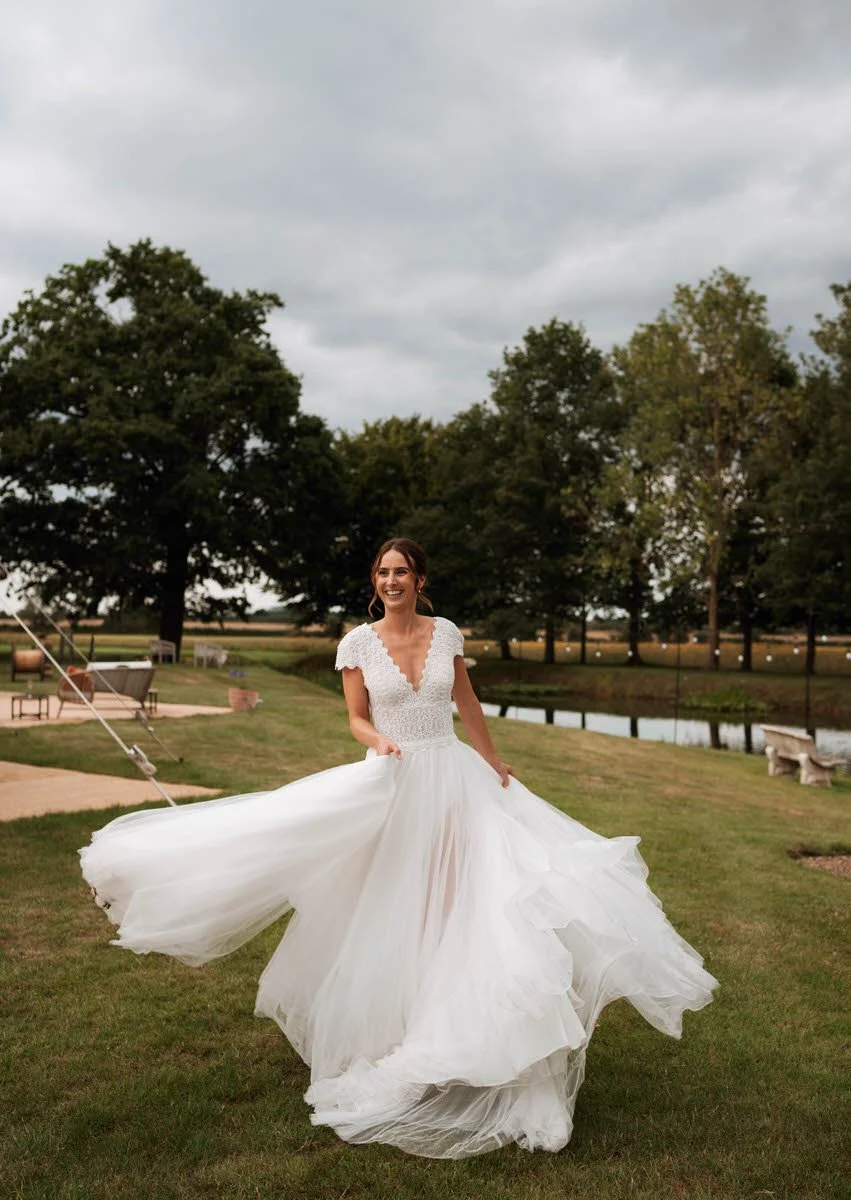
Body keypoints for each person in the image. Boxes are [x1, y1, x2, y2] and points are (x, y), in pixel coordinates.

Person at [79, 537, 719, 1159]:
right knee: (395, 907)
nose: (392, 582)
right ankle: (401, 1035)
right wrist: (377, 741)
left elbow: (466, 702)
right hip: (394, 782)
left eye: (402, 572)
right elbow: (355, 716)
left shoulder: (447, 635)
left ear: (419, 580)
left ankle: (474, 1038)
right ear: (374, 582)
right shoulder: (357, 643)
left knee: (471, 906)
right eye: (383, 573)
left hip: (455, 780)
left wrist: (494, 761)